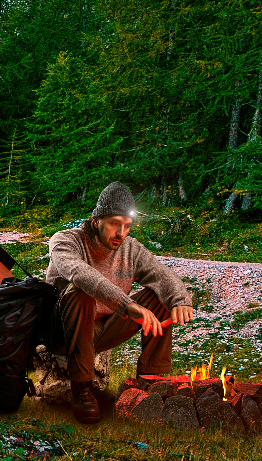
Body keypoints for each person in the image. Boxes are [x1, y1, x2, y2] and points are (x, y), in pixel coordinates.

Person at [44, 182, 196, 425]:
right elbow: (80, 273)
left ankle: (151, 380)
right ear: (96, 221)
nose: (121, 233)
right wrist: (126, 304)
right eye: (115, 223)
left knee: (161, 295)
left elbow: (161, 273)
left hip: (103, 330)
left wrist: (179, 300)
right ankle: (82, 387)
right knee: (80, 291)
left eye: (127, 226)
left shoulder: (130, 249)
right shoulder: (65, 241)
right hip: (60, 331)